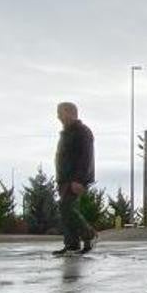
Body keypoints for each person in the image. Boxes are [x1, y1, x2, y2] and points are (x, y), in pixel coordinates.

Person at [54, 101, 97, 255]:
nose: (58, 116)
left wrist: (79, 179)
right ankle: (72, 244)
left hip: (75, 179)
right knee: (65, 211)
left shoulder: (82, 132)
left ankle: (89, 234)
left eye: (60, 112)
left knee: (67, 207)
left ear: (70, 112)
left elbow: (86, 157)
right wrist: (60, 180)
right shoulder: (66, 132)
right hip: (65, 179)